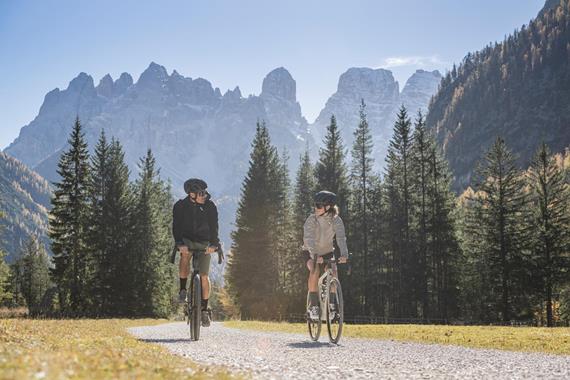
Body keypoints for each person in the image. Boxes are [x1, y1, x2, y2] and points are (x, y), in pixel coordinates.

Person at [172, 178, 220, 327]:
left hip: (205, 242)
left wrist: (214, 244)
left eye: (204, 192)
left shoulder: (210, 206)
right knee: (185, 255)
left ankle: (204, 310)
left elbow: (214, 226)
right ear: (191, 194)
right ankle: (182, 290)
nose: (203, 195)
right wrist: (179, 243)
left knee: (204, 276)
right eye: (200, 193)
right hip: (187, 240)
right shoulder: (180, 206)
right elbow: (176, 226)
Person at [302, 190, 348, 321]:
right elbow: (308, 239)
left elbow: (341, 238)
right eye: (315, 205)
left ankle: (332, 305)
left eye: (318, 206)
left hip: (327, 251)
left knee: (333, 271)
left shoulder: (336, 221)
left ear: (328, 207)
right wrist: (315, 255)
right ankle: (313, 306)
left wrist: (344, 254)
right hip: (310, 250)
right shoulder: (311, 220)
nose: (315, 208)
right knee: (314, 269)